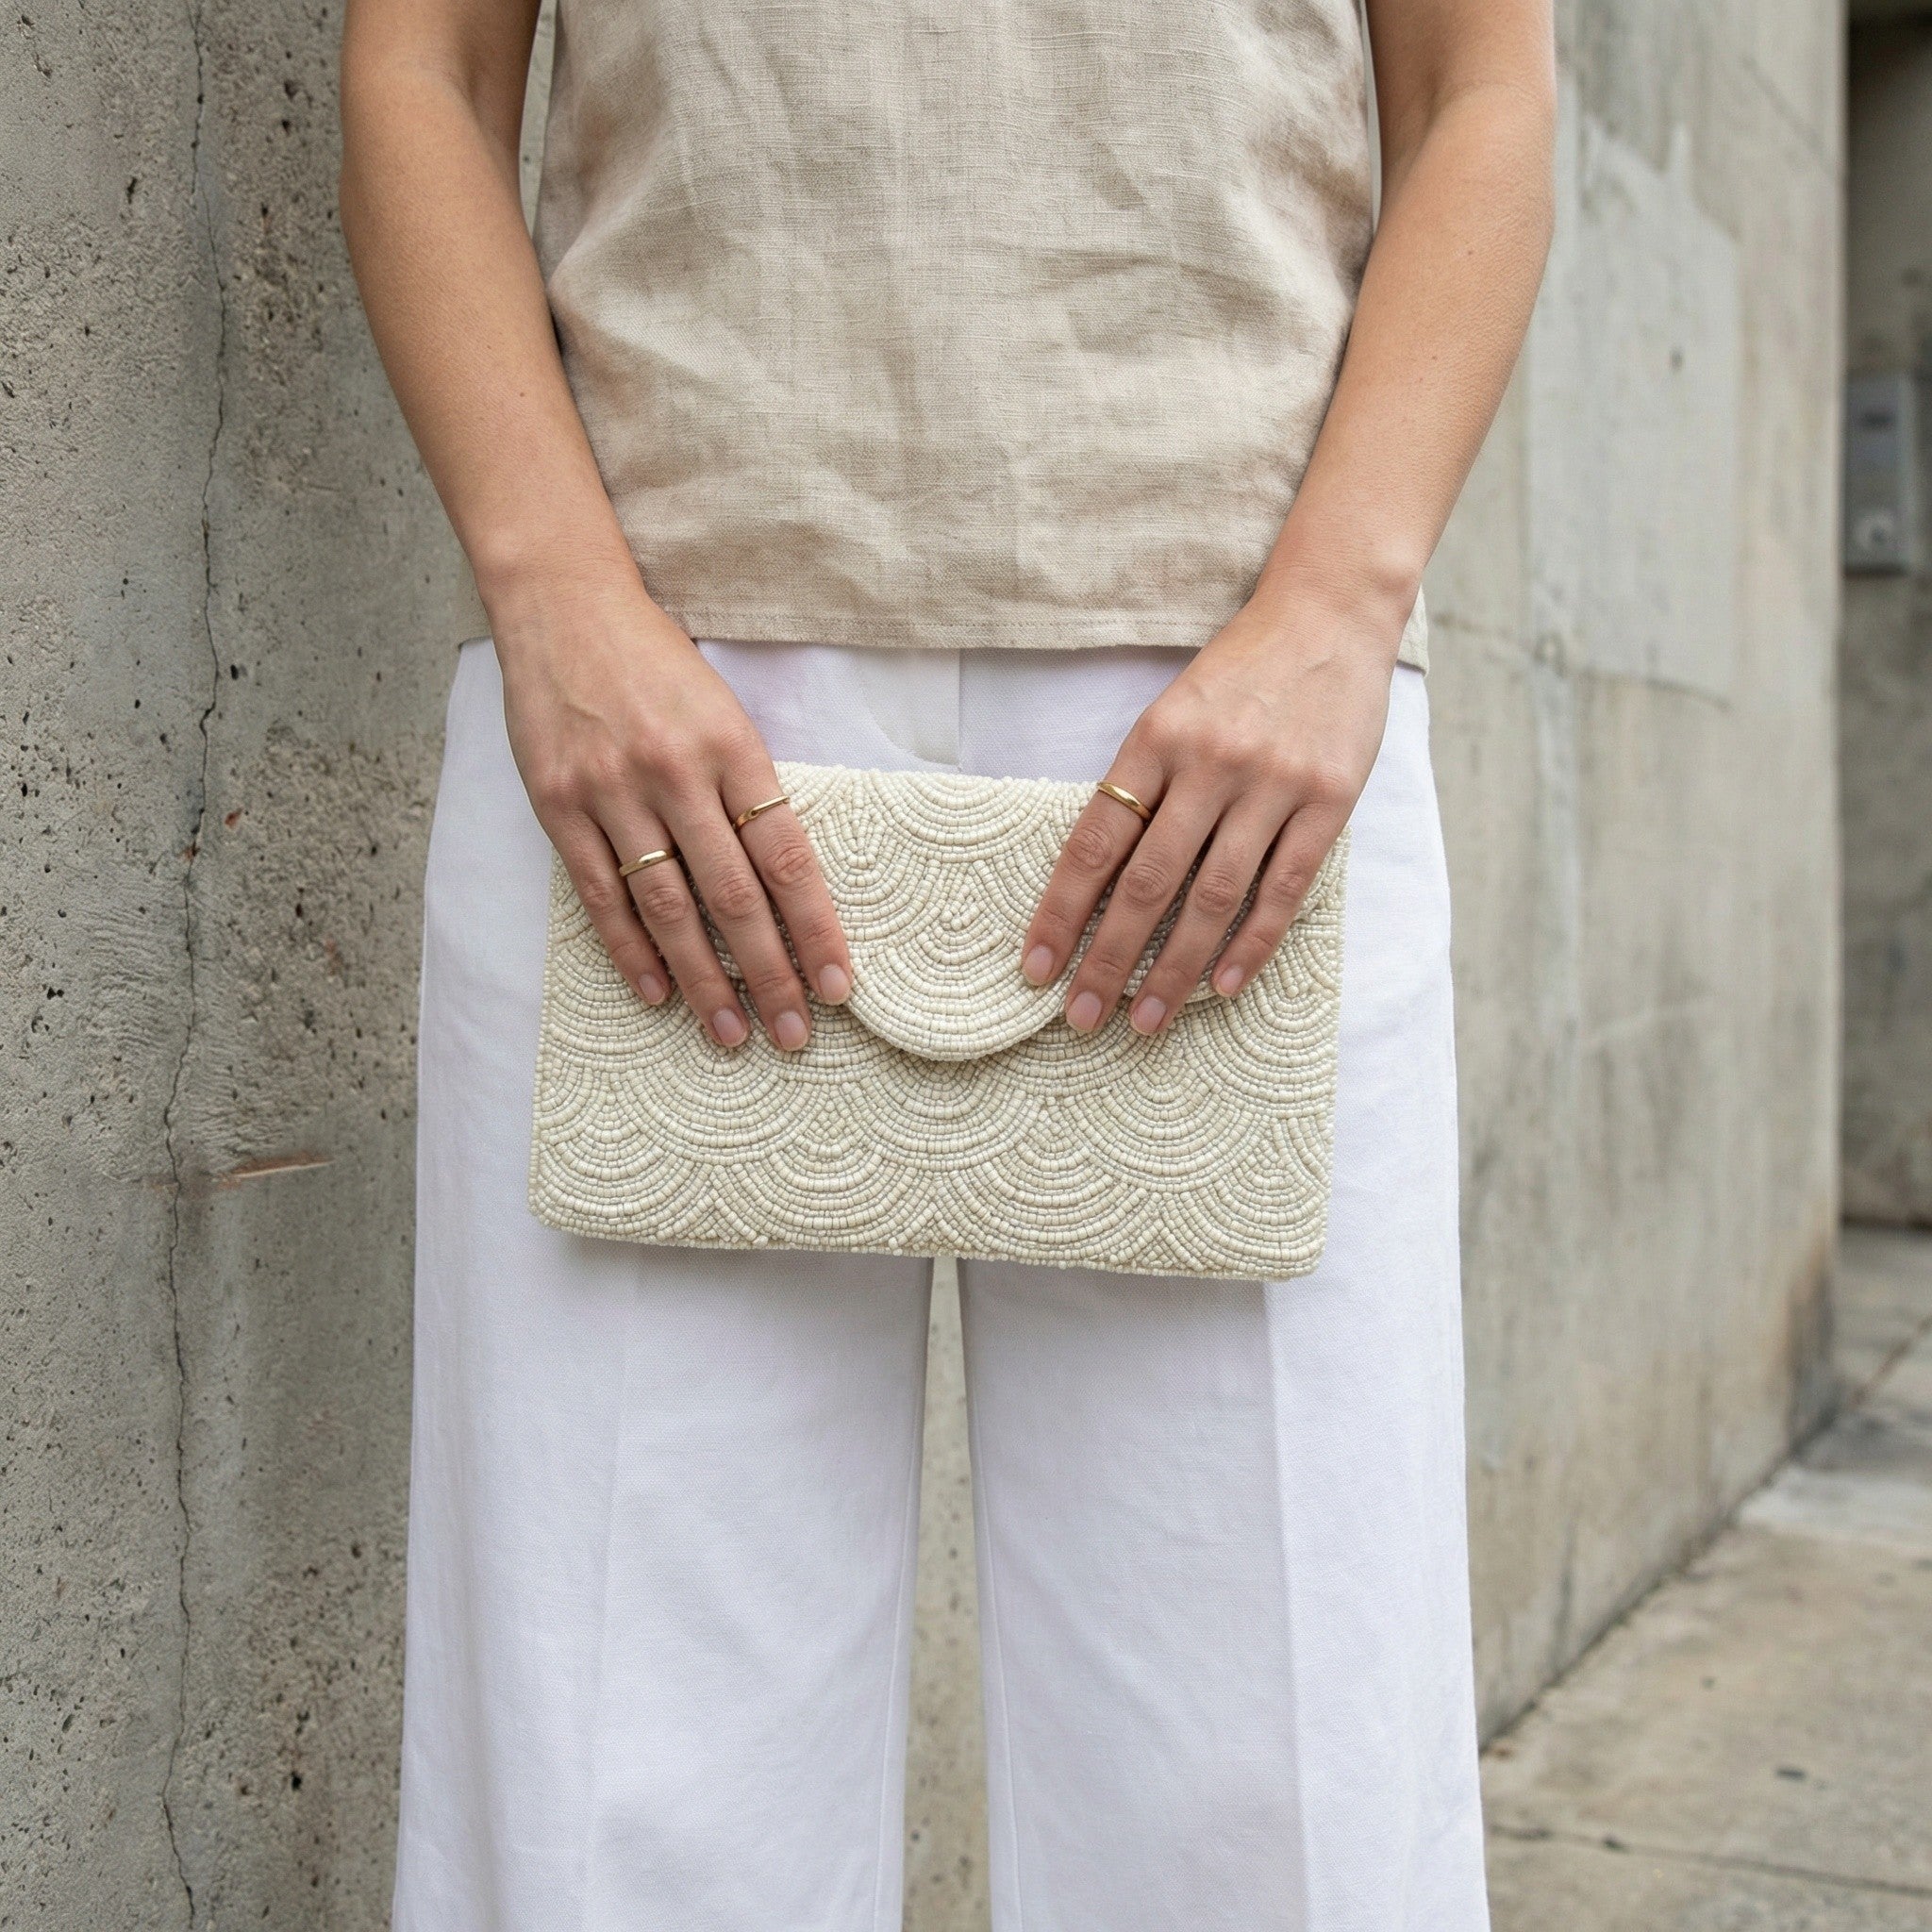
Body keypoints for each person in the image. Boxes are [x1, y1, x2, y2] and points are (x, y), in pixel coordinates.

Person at [340, 1, 1554, 1924]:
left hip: (1237, 723)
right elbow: (422, 69)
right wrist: (555, 595)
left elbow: (1480, 86)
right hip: (656, 715)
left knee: (1271, 1792)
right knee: (616, 1797)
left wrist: (1341, 603)